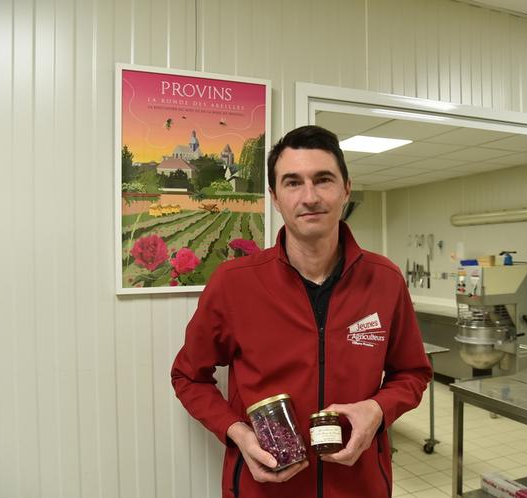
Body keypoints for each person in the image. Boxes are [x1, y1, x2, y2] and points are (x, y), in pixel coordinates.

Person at [171, 125, 432, 498]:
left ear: (346, 188)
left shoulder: (385, 280)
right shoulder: (234, 284)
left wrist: (378, 409)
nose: (310, 197)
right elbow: (188, 377)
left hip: (360, 487)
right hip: (264, 488)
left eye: (323, 179)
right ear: (275, 197)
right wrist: (237, 433)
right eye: (293, 183)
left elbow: (413, 372)